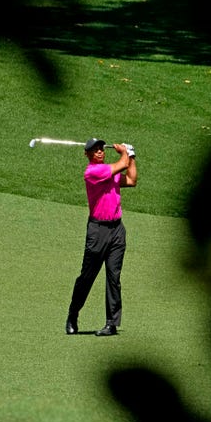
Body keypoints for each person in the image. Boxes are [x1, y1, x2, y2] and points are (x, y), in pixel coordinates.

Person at [65, 138, 138, 336]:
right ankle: (73, 314)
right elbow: (122, 164)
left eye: (100, 149)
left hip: (116, 230)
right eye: (94, 150)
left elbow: (131, 180)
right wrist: (125, 152)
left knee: (114, 277)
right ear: (87, 154)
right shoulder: (92, 172)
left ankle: (111, 324)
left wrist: (132, 156)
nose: (99, 151)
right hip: (98, 231)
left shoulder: (110, 171)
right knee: (87, 277)